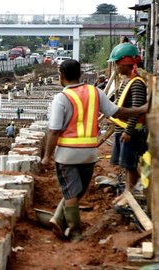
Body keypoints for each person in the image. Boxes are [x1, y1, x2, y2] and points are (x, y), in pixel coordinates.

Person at [40, 59, 147, 242]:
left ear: (61, 76)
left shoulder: (61, 98)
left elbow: (54, 130)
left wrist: (47, 156)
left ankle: (75, 231)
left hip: (67, 154)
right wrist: (140, 109)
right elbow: (117, 112)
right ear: (80, 74)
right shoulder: (95, 92)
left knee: (71, 192)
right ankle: (58, 219)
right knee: (77, 190)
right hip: (89, 153)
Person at [107, 43, 148, 204]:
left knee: (130, 165)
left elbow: (136, 109)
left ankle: (129, 194)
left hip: (130, 132)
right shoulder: (126, 81)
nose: (116, 67)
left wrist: (129, 131)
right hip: (122, 129)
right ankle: (126, 192)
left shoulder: (137, 83)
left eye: (117, 63)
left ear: (126, 63)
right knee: (125, 164)